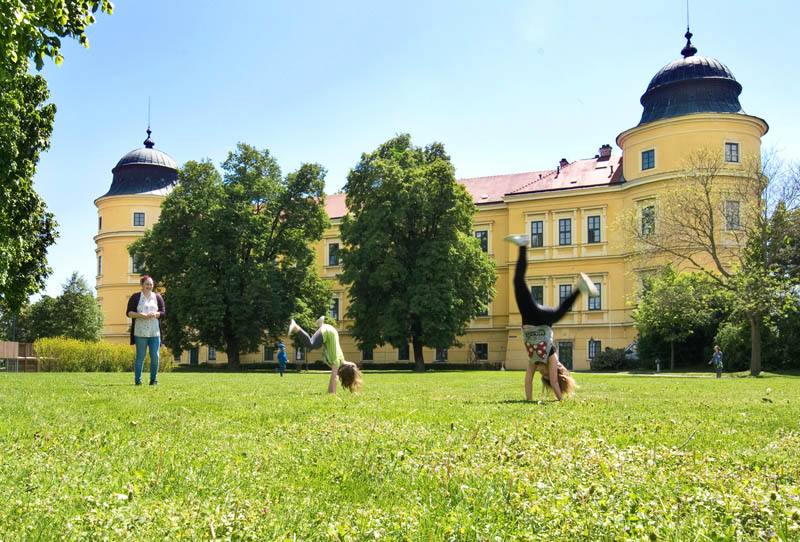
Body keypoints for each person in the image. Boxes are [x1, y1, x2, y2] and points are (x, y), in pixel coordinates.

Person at [505, 234, 598, 401]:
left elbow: (528, 380)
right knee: (558, 313)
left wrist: (529, 400)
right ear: (551, 370)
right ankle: (579, 289)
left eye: (542, 375)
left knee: (517, 281)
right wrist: (560, 400)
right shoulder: (551, 356)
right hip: (540, 320)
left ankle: (523, 245)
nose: (541, 373)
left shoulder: (534, 360)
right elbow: (555, 381)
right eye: (545, 375)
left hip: (527, 318)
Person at [288, 316, 363, 393]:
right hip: (329, 332)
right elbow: (334, 377)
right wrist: (333, 394)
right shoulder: (337, 361)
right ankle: (295, 327)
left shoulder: (339, 361)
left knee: (316, 345)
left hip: (330, 332)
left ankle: (321, 323)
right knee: (311, 344)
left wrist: (329, 392)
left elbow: (334, 377)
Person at [126, 275, 165, 386]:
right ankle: (138, 380)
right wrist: (140, 315)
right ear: (142, 285)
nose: (149, 286)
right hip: (140, 332)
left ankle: (153, 380)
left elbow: (163, 313)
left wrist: (156, 314)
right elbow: (129, 313)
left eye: (151, 284)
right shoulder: (135, 297)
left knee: (155, 356)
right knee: (140, 356)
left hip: (154, 332)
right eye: (147, 284)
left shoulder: (157, 297)